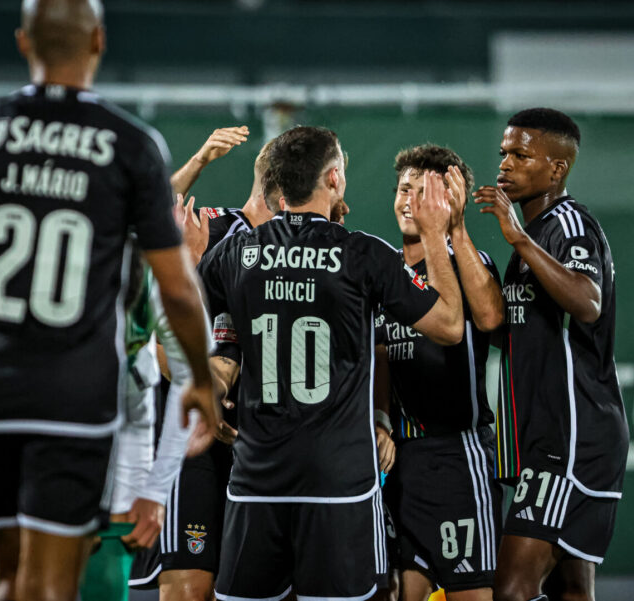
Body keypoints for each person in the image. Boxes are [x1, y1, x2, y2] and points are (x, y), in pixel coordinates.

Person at [0, 1, 218, 599]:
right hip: (75, 393)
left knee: (7, 580)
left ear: (24, 43)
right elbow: (176, 285)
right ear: (98, 40)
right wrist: (200, 374)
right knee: (53, 583)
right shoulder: (129, 143)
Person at [199, 125, 466, 601]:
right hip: (339, 482)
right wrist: (434, 230)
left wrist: (213, 386)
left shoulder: (236, 253)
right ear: (335, 179)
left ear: (276, 184)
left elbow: (191, 318)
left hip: (257, 479)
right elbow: (449, 324)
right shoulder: (362, 253)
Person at [474, 108, 628, 601]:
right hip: (552, 432)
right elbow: (518, 332)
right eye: (504, 153)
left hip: (572, 435)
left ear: (557, 169)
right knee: (571, 588)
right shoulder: (534, 238)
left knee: (512, 588)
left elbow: (587, 301)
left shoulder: (568, 224)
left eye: (521, 155)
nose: (506, 164)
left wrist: (517, 237)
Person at [129, 132, 280, 601]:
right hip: (192, 434)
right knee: (192, 584)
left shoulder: (302, 249)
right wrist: (197, 161)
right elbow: (144, 221)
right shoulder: (213, 226)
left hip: (258, 442)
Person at [375, 145, 504, 601]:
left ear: (452, 202)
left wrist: (448, 230)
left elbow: (490, 317)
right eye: (406, 188)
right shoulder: (384, 271)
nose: (412, 200)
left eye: (429, 191)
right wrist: (380, 419)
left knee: (470, 592)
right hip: (402, 462)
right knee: (404, 592)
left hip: (458, 456)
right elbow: (381, 358)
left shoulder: (466, 262)